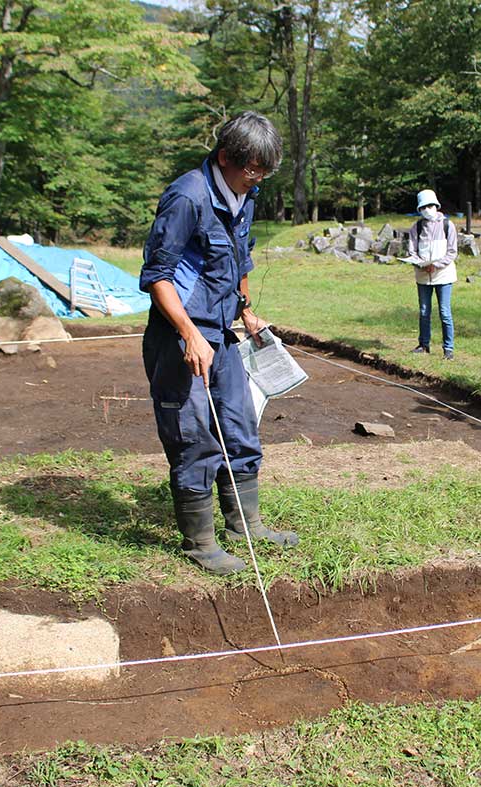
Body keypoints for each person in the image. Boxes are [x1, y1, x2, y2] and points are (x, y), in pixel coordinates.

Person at [139, 111, 297, 575]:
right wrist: (189, 335)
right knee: (193, 438)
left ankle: (246, 525)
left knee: (239, 427)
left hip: (223, 332)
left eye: (265, 173)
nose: (258, 181)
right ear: (226, 157)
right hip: (181, 337)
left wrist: (246, 312)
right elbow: (157, 276)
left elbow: (238, 258)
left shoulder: (244, 194)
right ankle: (200, 544)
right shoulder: (187, 197)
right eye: (253, 171)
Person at [407, 189, 459, 360]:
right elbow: (411, 251)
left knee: (445, 312)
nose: (427, 209)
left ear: (436, 206)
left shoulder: (447, 225)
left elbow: (452, 252)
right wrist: (420, 264)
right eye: (424, 207)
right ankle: (423, 344)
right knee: (424, 311)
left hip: (443, 275)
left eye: (430, 206)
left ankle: (448, 348)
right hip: (423, 276)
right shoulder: (417, 227)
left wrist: (435, 265)